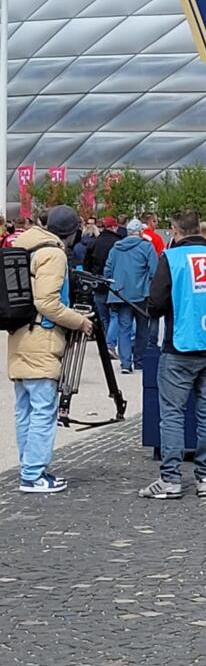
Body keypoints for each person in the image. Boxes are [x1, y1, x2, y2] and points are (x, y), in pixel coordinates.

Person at [141, 208, 206, 500]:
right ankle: (205, 478)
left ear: (175, 230)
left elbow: (156, 304)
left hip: (181, 345)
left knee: (172, 414)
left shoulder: (172, 259)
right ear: (200, 227)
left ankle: (170, 480)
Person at [8, 205, 93, 494]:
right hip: (42, 337)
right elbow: (48, 302)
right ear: (72, 233)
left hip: (19, 334)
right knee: (44, 409)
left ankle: (28, 466)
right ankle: (33, 475)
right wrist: (80, 321)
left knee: (24, 409)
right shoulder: (53, 253)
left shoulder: (23, 245)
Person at [103, 217, 158, 373]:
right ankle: (139, 361)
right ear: (141, 232)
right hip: (141, 294)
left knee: (124, 328)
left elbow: (107, 270)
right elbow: (154, 270)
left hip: (120, 294)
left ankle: (125, 363)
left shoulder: (116, 248)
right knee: (142, 329)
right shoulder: (147, 247)